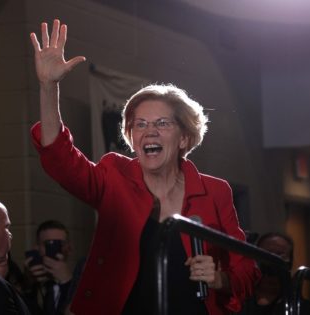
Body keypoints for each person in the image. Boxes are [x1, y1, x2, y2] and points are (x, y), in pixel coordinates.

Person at [29, 19, 260, 315]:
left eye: (162, 123)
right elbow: (61, 162)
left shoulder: (215, 191)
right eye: (140, 124)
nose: (149, 131)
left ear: (185, 137)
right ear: (132, 136)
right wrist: (49, 87)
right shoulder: (114, 174)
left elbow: (248, 270)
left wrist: (221, 278)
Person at [24, 220, 72, 315]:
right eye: (48, 244)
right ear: (37, 248)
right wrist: (28, 284)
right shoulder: (33, 283)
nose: (54, 248)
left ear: (69, 248)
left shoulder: (82, 284)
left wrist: (68, 282)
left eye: (60, 244)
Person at [239, 232, 294, 315]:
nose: (272, 263)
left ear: (290, 262)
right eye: (267, 254)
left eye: (279, 255)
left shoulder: (300, 307)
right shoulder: (236, 302)